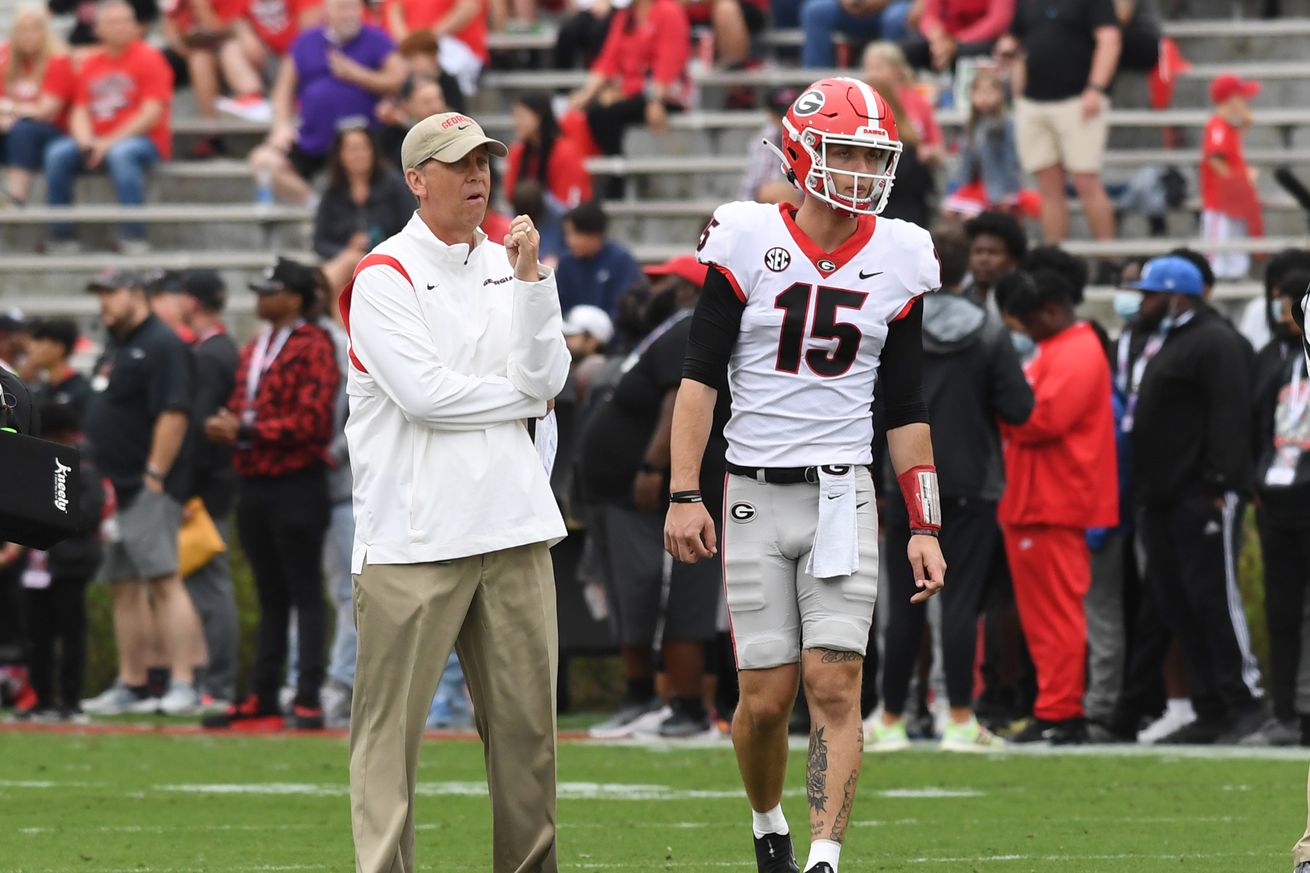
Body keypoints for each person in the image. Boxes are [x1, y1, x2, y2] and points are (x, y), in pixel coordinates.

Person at [665, 77, 945, 873]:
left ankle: (824, 857)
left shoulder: (899, 254)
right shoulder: (747, 235)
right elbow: (700, 377)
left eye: (871, 154)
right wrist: (687, 491)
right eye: (846, 150)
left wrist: (924, 523)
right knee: (764, 699)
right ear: (800, 150)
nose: (859, 169)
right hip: (752, 488)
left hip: (841, 491)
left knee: (835, 681)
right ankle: (767, 825)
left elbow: (907, 406)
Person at [340, 112, 570, 873]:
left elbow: (550, 379)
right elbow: (425, 398)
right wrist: (520, 397)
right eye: (457, 163)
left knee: (528, 737)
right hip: (413, 537)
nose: (477, 176)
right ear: (416, 179)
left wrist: (534, 284)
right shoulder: (382, 274)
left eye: (483, 161)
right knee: (388, 739)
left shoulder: (515, 263)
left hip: (512, 524)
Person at [868, 224, 1032, 753]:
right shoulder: (986, 331)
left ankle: (891, 716)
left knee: (903, 604)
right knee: (961, 604)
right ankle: (959, 717)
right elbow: (1020, 408)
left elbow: (871, 406)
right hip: (969, 482)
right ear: (964, 270)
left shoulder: (892, 323)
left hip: (905, 480)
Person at [580, 255, 728, 741]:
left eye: (665, 281)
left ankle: (680, 704)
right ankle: (648, 699)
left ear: (688, 289)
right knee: (634, 595)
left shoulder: (688, 326)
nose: (651, 287)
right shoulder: (663, 330)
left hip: (658, 493)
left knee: (661, 591)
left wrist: (653, 467)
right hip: (616, 494)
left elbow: (676, 398)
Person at [1126, 255, 1265, 744]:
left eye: (1149, 292)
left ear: (1175, 294)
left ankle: (1243, 702)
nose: (1141, 301)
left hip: (1202, 495)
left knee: (1214, 598)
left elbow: (1231, 414)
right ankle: (1209, 706)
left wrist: (1222, 482)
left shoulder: (1216, 340)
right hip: (1164, 496)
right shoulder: (1177, 338)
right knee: (1177, 601)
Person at [201, 258, 341, 731]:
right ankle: (262, 692)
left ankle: (307, 696)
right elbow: (247, 404)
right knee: (270, 593)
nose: (260, 298)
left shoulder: (315, 345)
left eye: (270, 291)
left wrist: (245, 427)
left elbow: (315, 421)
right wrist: (232, 424)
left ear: (295, 298)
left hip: (297, 481)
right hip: (256, 479)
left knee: (304, 590)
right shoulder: (259, 345)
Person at [994, 267, 1118, 744]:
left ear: (1051, 311)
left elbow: (1038, 419)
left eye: (1029, 321)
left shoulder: (1077, 350)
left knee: (1057, 614)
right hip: (1037, 499)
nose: (1025, 331)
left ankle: (1063, 712)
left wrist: (997, 409)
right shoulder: (1059, 348)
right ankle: (1053, 707)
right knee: (1044, 616)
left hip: (1054, 499)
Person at [79, 269, 206, 717]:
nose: (103, 305)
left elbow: (174, 414)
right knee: (123, 585)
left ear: (137, 294)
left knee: (164, 581)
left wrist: (155, 475)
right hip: (116, 487)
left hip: (145, 485)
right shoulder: (119, 343)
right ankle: (132, 683)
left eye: (109, 294)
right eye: (100, 296)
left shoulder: (162, 343)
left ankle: (184, 683)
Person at [43, 0, 174, 254]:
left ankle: (133, 235)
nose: (121, 27)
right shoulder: (90, 63)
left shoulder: (150, 58)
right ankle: (62, 236)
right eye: (113, 22)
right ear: (97, 29)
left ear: (137, 26)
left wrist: (106, 143)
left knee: (121, 154)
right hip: (97, 138)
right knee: (57, 154)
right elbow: (79, 110)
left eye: (126, 21)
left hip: (143, 139)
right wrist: (84, 142)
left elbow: (151, 113)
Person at [248, 0, 404, 205]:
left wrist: (356, 74)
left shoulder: (377, 38)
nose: (349, 14)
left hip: (366, 141)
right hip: (315, 139)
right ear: (327, 11)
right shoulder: (305, 42)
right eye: (342, 8)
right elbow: (283, 89)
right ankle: (316, 206)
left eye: (354, 8)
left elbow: (398, 78)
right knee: (263, 161)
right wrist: (281, 125)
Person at [994, 0, 1119, 244]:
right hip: (1033, 101)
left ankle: (1109, 258)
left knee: (1086, 182)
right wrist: (1007, 48)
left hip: (1078, 100)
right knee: (1048, 187)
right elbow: (1013, 36)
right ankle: (1053, 255)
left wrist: (1096, 88)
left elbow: (1109, 40)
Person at [1248, 269, 1310, 747]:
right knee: (1281, 611)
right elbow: (1253, 421)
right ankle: (1284, 710)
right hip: (1277, 497)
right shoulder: (1273, 358)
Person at [15, 402, 106, 722]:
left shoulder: (83, 469)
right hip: (34, 568)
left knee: (71, 635)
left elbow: (89, 514)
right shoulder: (33, 466)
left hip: (69, 565)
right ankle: (41, 699)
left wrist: (49, 519)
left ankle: (70, 701)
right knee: (36, 636)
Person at [175, 270, 241, 709]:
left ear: (193, 302)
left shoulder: (211, 354)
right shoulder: (216, 349)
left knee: (211, 587)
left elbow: (200, 429)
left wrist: (185, 490)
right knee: (205, 586)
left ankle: (217, 685)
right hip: (212, 483)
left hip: (208, 488)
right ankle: (211, 682)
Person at [568, 0, 691, 160]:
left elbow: (669, 61)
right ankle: (612, 165)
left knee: (604, 112)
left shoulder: (669, 11)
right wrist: (586, 93)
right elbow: (608, 59)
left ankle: (616, 171)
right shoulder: (625, 16)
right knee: (588, 110)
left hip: (666, 93)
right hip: (632, 90)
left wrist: (656, 99)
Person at [313, 125, 415, 293]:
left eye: (364, 148)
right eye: (352, 149)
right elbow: (319, 243)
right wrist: (347, 249)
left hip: (391, 260)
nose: (359, 155)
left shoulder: (394, 184)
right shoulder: (332, 192)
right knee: (349, 266)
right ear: (340, 155)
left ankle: (315, 293)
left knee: (351, 264)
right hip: (347, 264)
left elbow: (411, 226)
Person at [161, 0, 267, 157]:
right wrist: (185, 46)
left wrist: (202, 8)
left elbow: (227, 28)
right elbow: (170, 31)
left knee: (227, 51)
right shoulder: (178, 4)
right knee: (199, 60)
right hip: (199, 53)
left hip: (231, 51)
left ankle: (252, 102)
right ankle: (212, 133)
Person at [0, 5, 76, 206]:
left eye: (34, 29)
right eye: (23, 30)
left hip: (56, 131)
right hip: (15, 125)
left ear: (45, 32)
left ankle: (16, 198)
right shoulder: (6, 57)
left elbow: (46, 111)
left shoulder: (58, 59)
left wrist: (8, 109)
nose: (28, 36)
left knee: (22, 130)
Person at [1201, 73, 1263, 281]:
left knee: (1236, 247)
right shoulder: (1217, 125)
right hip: (1220, 201)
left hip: (1231, 201)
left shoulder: (1227, 127)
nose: (1246, 102)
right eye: (1241, 97)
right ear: (1230, 99)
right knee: (1217, 251)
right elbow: (1216, 160)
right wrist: (1241, 180)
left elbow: (1231, 148)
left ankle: (1236, 276)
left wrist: (1245, 124)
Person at [942, 68, 1028, 219]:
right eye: (980, 93)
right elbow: (966, 162)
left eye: (989, 93)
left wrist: (1008, 192)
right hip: (977, 185)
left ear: (1000, 95)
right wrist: (959, 186)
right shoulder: (971, 125)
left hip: (1000, 187)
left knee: (970, 216)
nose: (984, 98)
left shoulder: (1006, 124)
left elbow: (1011, 160)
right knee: (948, 210)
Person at [379, 0, 488, 97]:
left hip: (457, 49)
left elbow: (469, 8)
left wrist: (425, 40)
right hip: (412, 50)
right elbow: (394, 13)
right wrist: (415, 46)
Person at [505, 93, 593, 211]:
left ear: (538, 116)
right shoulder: (517, 152)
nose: (516, 122)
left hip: (560, 220)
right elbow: (511, 195)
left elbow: (570, 202)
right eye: (515, 116)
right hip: (523, 217)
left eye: (521, 116)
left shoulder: (565, 151)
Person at [556, 200, 642, 319]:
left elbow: (624, 308)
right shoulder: (565, 263)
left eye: (574, 234)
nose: (569, 241)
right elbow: (559, 307)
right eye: (567, 234)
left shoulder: (621, 261)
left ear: (595, 234)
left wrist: (599, 334)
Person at [902, 0, 1013, 71]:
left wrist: (957, 41)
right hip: (945, 38)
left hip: (978, 40)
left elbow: (998, 21)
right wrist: (936, 36)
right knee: (912, 48)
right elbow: (929, 15)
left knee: (970, 51)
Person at [800, 0, 914, 68]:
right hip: (850, 10)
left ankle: (888, 78)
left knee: (895, 18)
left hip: (893, 8)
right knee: (816, 11)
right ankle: (818, 83)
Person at [738, 88, 802, 206]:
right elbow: (758, 189)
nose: (787, 121)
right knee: (781, 191)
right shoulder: (765, 138)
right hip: (768, 207)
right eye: (783, 115)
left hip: (801, 203)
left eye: (791, 115)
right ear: (771, 116)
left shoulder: (806, 137)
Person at [27, 319, 91, 420]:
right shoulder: (39, 392)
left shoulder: (82, 393)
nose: (31, 349)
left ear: (58, 348)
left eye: (40, 342)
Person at [962, 210, 1025, 306]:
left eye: (993, 253)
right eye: (978, 251)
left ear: (1012, 260)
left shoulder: (1022, 304)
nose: (983, 259)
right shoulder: (958, 298)